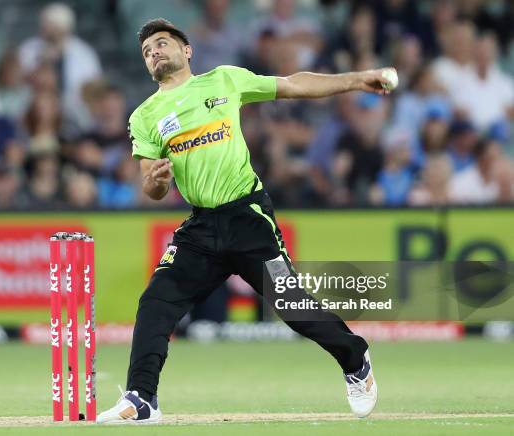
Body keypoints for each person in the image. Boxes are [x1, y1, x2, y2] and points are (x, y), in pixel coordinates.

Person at [97, 19, 394, 424]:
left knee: (293, 306)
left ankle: (355, 359)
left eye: (162, 44)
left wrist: (358, 80)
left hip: (248, 217)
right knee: (156, 302)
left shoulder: (224, 80)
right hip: (201, 228)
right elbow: (153, 186)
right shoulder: (145, 116)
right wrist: (155, 181)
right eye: (147, 51)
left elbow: (292, 85)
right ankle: (142, 398)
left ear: (187, 51)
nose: (154, 53)